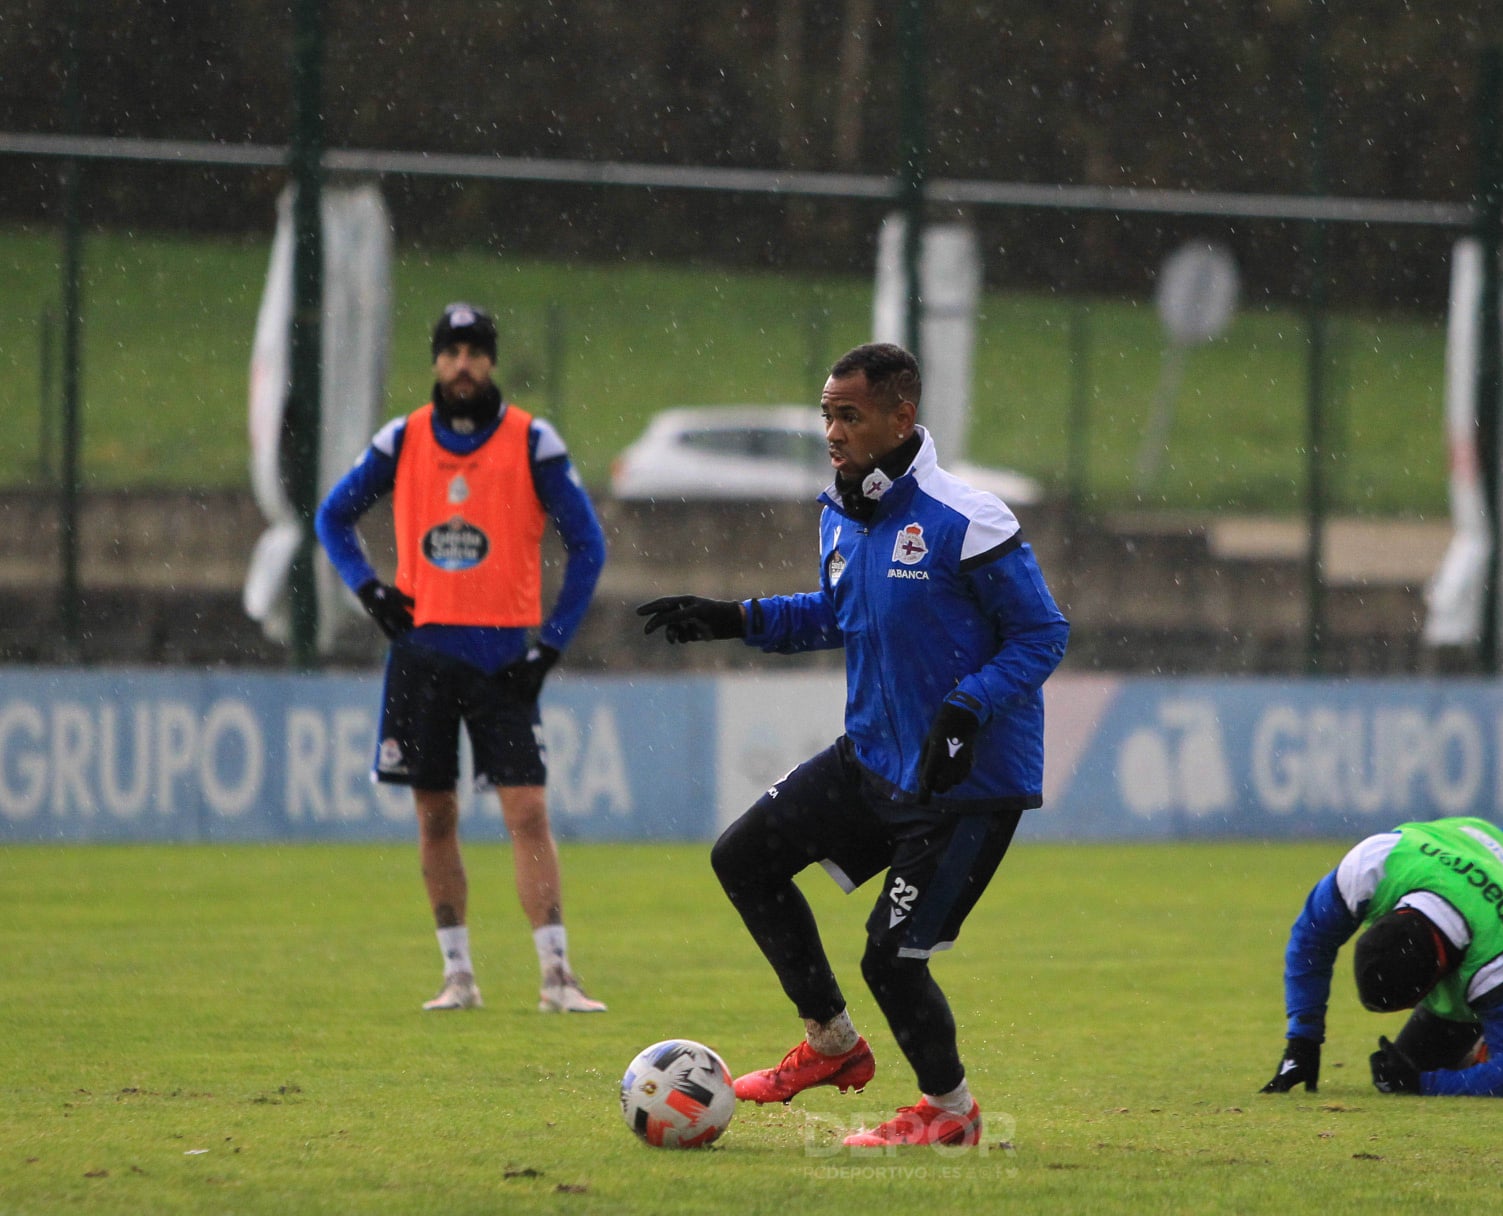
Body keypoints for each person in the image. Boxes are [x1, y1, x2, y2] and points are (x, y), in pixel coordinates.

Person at [636, 342, 1069, 1147]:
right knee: (744, 859)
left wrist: (966, 709)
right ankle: (832, 1044)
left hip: (963, 787)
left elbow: (1041, 634)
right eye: (826, 416)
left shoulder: (969, 519)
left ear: (901, 418)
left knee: (890, 958)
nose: (832, 432)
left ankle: (951, 1114)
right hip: (871, 760)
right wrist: (736, 617)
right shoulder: (841, 510)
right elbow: (838, 613)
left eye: (849, 416)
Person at [315, 302, 610, 1014]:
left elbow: (588, 545)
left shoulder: (532, 441)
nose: (463, 365)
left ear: (492, 361)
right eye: (451, 351)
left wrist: (550, 644)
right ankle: (458, 975)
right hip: (421, 654)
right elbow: (332, 516)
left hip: (502, 655)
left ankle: (557, 974)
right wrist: (370, 591)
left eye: (475, 351)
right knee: (435, 814)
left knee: (528, 810)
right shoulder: (402, 438)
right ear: (436, 361)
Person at [1260, 815, 1503, 1098]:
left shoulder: (1502, 957)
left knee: (1426, 1069)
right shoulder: (1375, 864)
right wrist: (1302, 1038)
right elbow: (1311, 939)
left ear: (1434, 984)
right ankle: (1470, 1043)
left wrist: (1425, 1084)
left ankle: (1484, 1034)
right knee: (1407, 1069)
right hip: (1478, 847)